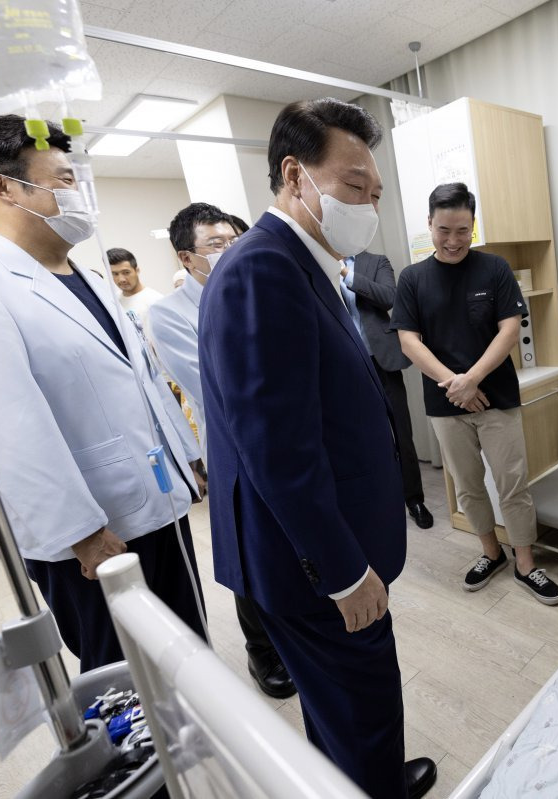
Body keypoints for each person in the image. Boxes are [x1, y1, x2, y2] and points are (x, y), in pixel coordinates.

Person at [198, 98, 436, 799]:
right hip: (314, 564)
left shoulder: (309, 263)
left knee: (341, 704)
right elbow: (279, 449)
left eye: (376, 193)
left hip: (328, 540)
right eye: (354, 186)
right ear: (295, 175)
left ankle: (360, 778)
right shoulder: (261, 269)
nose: (368, 205)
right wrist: (343, 572)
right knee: (363, 703)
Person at [0, 115, 207, 672]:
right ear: (2, 186)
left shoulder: (92, 279)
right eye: (63, 180)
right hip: (94, 533)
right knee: (126, 678)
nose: (78, 194)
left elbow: (146, 380)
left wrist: (186, 459)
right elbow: (2, 423)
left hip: (159, 501)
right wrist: (81, 533)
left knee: (187, 657)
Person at [147, 201, 295, 700]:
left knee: (293, 544)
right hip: (234, 451)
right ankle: (262, 651)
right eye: (216, 244)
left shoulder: (257, 291)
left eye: (235, 240)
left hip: (285, 439)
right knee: (251, 554)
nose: (230, 250)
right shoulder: (168, 314)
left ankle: (296, 635)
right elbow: (221, 384)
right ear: (186, 258)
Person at [392, 182, 558, 605]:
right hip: (445, 403)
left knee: (512, 483)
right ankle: (491, 553)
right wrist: (457, 384)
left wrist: (473, 379)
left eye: (462, 231)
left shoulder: (495, 269)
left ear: (473, 226)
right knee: (468, 486)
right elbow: (409, 341)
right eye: (444, 230)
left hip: (496, 397)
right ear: (429, 224)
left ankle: (525, 562)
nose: (453, 240)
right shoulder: (412, 278)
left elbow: (510, 329)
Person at [339, 250, 433, 528]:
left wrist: (344, 272)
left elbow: (388, 297)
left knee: (401, 431)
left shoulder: (377, 261)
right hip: (345, 364)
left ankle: (414, 499)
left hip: (382, 360)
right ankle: (377, 500)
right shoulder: (318, 263)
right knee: (361, 437)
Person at [107, 247, 164, 324]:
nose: (121, 279)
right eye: (115, 274)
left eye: (126, 272)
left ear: (137, 270)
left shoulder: (156, 301)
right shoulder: (114, 301)